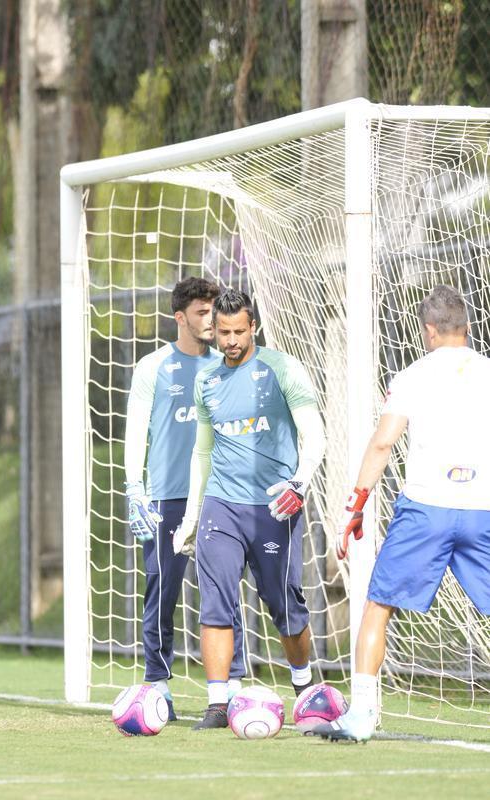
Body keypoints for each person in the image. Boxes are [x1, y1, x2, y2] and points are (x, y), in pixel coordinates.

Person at [315, 284, 490, 742]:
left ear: (428, 331)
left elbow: (383, 442)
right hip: (482, 510)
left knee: (379, 607)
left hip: (426, 508)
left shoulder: (413, 376)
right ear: (467, 327)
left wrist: (355, 505)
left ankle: (362, 717)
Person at [173, 288, 326, 729]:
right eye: (224, 333)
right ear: (214, 332)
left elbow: (314, 435)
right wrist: (191, 515)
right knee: (216, 601)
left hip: (275, 507)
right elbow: (202, 454)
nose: (232, 340)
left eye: (240, 331)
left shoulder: (282, 369)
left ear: (253, 327)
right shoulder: (207, 382)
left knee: (284, 604)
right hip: (222, 504)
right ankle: (218, 703)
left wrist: (300, 482)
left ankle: (303, 687)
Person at [124, 277, 247, 721]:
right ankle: (158, 684)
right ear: (180, 318)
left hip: (219, 497)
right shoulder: (153, 367)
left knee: (224, 593)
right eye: (201, 312)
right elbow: (136, 430)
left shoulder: (229, 365)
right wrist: (134, 487)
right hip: (166, 499)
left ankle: (232, 686)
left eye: (213, 311)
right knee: (162, 590)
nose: (210, 320)